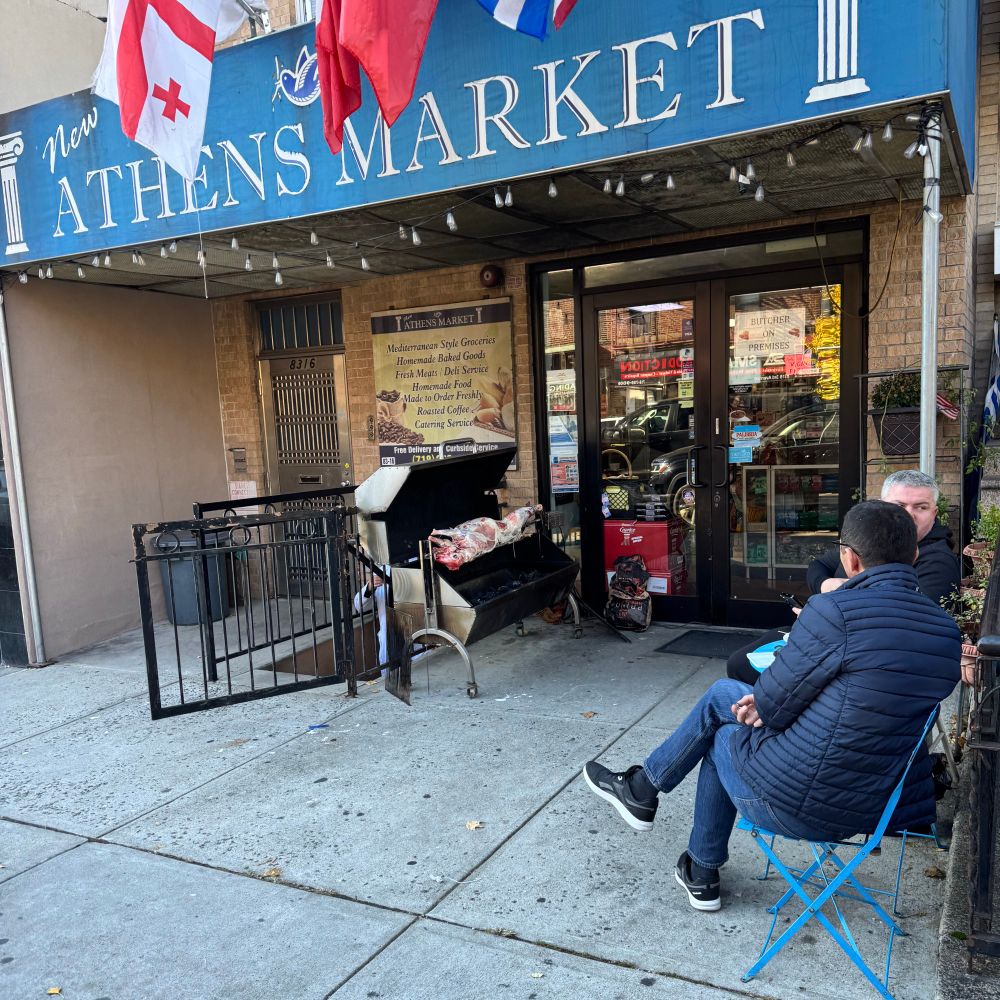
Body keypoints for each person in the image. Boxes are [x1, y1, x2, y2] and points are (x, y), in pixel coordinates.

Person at [584, 501, 960, 912]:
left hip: (804, 807)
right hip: (882, 810)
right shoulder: (945, 631)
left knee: (722, 726)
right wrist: (768, 704)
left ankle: (670, 825)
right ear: (915, 555)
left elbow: (775, 707)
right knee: (726, 708)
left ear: (848, 558)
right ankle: (684, 850)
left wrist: (764, 703)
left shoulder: (833, 610)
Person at [726, 469, 961, 685]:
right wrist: (826, 584)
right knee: (743, 659)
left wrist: (829, 612)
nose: (908, 515)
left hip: (860, 658)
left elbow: (907, 629)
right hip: (830, 638)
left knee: (739, 670)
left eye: (920, 507)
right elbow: (819, 565)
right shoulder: (873, 539)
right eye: (899, 505)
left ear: (934, 512)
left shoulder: (937, 561)